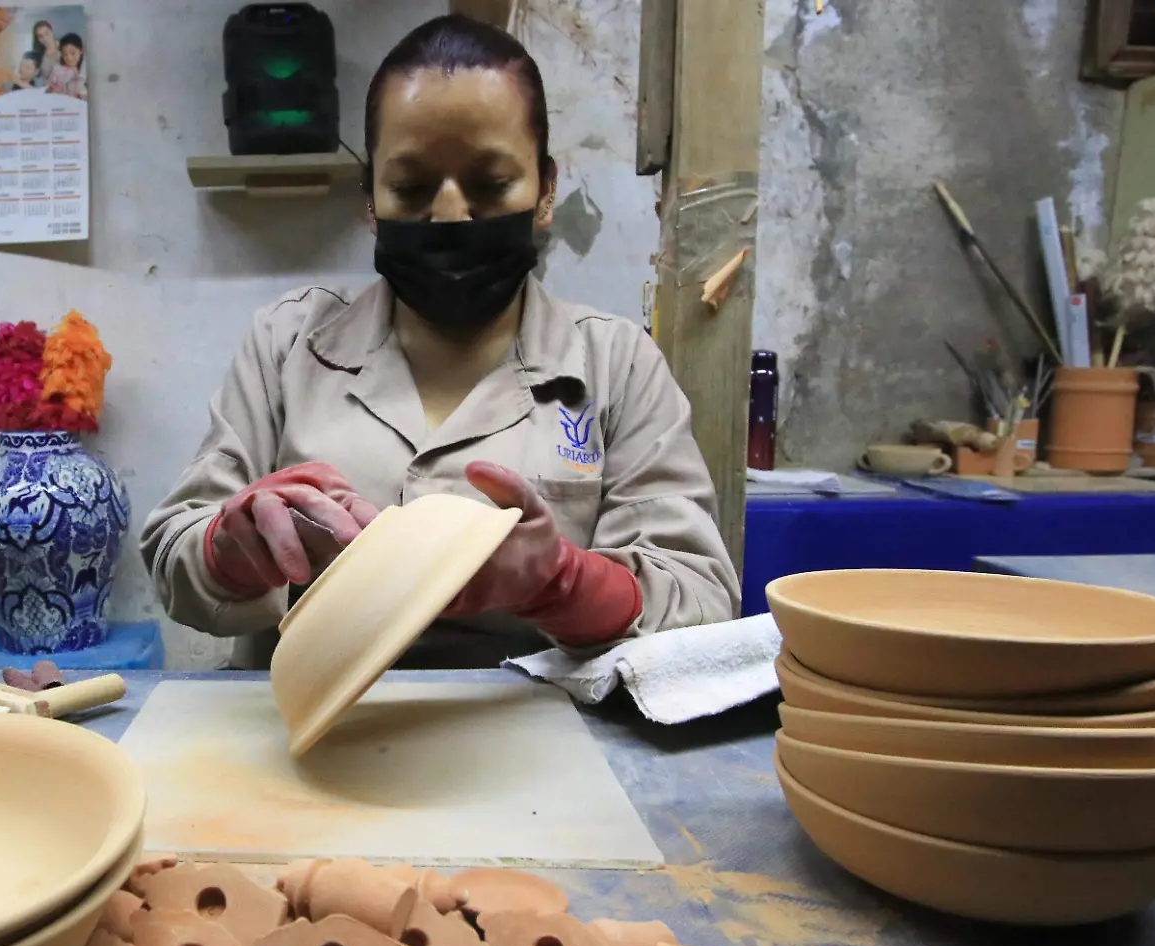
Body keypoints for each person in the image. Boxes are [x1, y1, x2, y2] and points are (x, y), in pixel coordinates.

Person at [141, 14, 739, 670]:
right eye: (411, 187)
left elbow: (700, 597)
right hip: (305, 735)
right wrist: (230, 549)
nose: (451, 214)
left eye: (489, 185)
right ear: (370, 198)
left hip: (534, 743)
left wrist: (562, 584)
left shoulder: (616, 365)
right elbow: (175, 555)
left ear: (545, 190)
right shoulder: (286, 345)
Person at [47, 33, 87, 100]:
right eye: (65, 54)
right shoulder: (57, 71)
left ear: (81, 51)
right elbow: (48, 91)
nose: (69, 58)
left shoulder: (86, 70)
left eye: (72, 53)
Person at [25, 20, 56, 87]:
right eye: (40, 36)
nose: (45, 38)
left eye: (47, 33)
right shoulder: (37, 55)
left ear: (52, 31)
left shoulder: (65, 49)